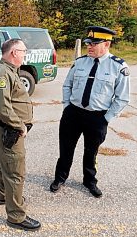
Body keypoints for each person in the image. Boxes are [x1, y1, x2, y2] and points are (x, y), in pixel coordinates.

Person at [50, 26, 130, 197]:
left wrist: (106, 118)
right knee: (65, 149)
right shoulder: (80, 62)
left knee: (91, 152)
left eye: (94, 43)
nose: (89, 46)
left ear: (107, 44)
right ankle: (60, 177)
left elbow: (122, 98)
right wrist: (67, 107)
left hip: (97, 116)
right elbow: (67, 85)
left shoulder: (118, 67)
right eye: (88, 43)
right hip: (73, 114)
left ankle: (89, 181)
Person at [0, 38, 40, 231]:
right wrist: (19, 125)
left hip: (6, 127)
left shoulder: (9, 71)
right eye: (23, 51)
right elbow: (2, 106)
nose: (25, 54)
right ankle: (16, 216)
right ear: (13, 53)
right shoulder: (2, 74)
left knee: (3, 161)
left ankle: (3, 195)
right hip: (9, 128)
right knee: (15, 170)